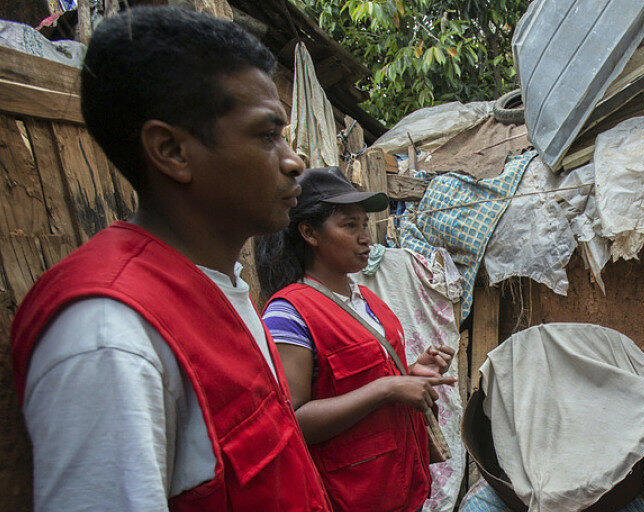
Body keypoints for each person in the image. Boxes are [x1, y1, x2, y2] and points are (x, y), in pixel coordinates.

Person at [9, 7, 331, 512]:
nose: (295, 161)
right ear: (171, 151)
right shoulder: (109, 336)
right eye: (268, 135)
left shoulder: (221, 287)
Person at [255, 168, 457, 512]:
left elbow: (353, 378)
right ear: (309, 233)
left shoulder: (366, 300)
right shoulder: (288, 313)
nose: (365, 237)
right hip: (347, 496)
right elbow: (293, 420)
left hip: (398, 484)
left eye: (364, 224)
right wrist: (389, 389)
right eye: (349, 226)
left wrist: (408, 372)